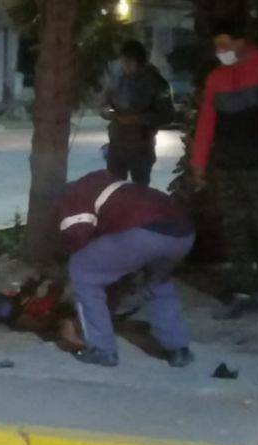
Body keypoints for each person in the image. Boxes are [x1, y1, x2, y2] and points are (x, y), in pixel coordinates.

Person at [191, 20, 258, 320]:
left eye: (225, 44)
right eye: (217, 46)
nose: (221, 51)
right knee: (234, 227)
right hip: (227, 165)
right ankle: (242, 287)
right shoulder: (216, 79)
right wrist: (199, 165)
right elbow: (206, 123)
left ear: (241, 42)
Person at [59, 169, 195, 367]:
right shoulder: (116, 185)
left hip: (142, 232)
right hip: (183, 234)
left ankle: (102, 350)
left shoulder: (75, 194)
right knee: (158, 284)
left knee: (82, 271)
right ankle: (178, 349)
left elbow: (77, 236)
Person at [102, 40, 173, 186]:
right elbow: (104, 106)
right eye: (123, 61)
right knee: (114, 189)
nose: (125, 65)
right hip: (117, 145)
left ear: (139, 62)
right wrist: (112, 113)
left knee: (139, 192)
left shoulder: (155, 82)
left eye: (129, 62)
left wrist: (140, 119)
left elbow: (167, 115)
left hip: (141, 148)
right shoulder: (117, 79)